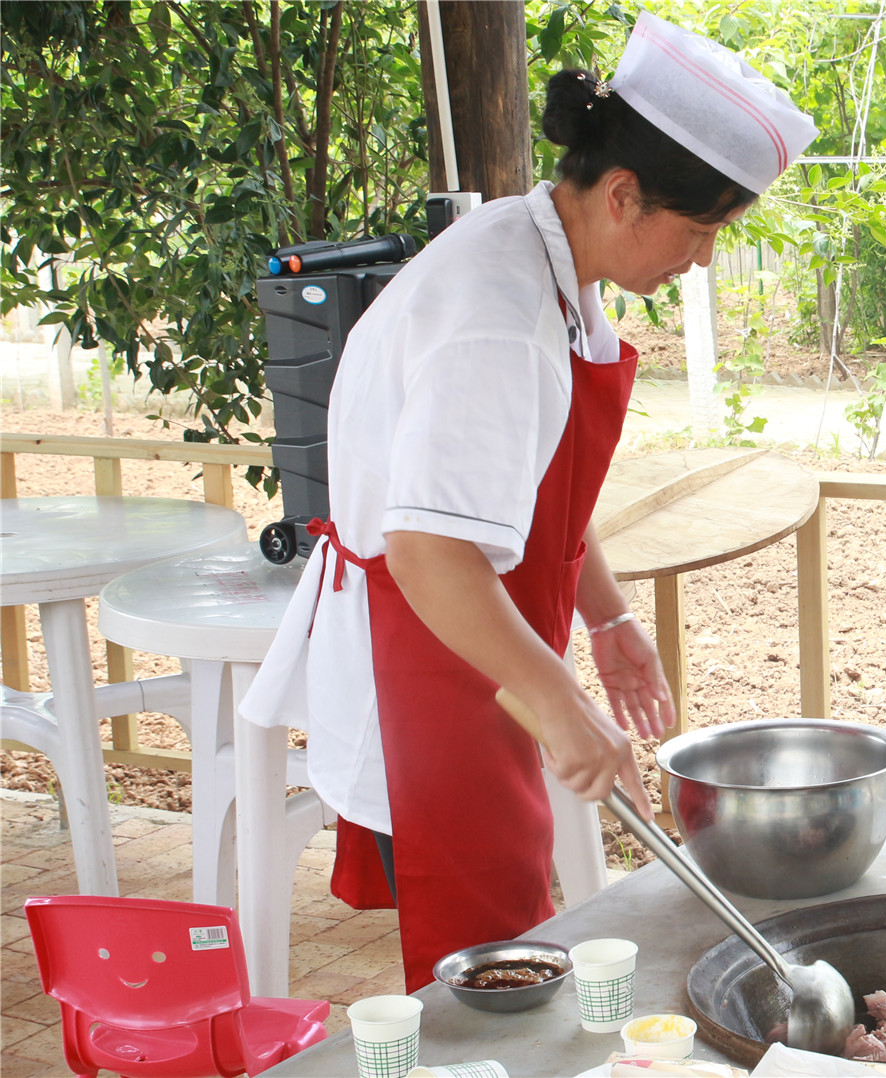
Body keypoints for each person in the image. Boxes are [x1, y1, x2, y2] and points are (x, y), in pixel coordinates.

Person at [242, 13, 818, 991]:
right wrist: (559, 699)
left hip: (482, 633)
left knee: (508, 936)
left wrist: (607, 619)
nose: (703, 259)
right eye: (702, 230)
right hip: (430, 644)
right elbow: (429, 549)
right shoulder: (498, 314)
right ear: (624, 194)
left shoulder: (547, 261)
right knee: (483, 966)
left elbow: (528, 478)